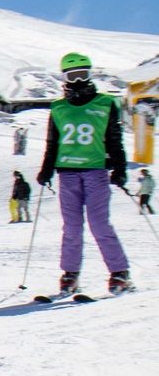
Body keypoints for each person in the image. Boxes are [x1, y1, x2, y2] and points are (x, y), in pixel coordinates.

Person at [36, 52, 132, 296]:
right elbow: (53, 142)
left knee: (99, 224)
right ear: (64, 78)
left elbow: (114, 139)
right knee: (71, 226)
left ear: (90, 74)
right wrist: (46, 169)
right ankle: (70, 274)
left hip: (95, 171)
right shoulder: (58, 108)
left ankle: (119, 272)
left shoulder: (105, 103)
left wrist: (119, 168)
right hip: (67, 173)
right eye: (72, 75)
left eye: (83, 75)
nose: (78, 81)